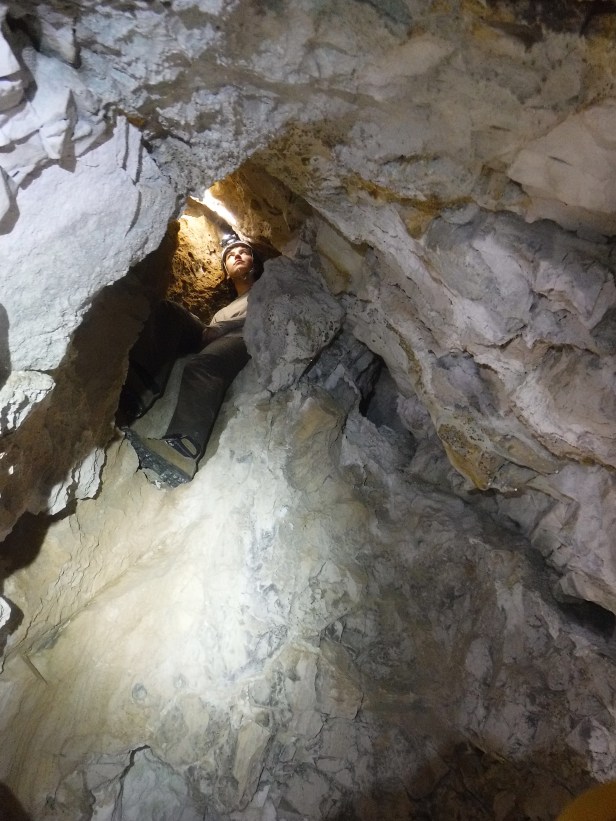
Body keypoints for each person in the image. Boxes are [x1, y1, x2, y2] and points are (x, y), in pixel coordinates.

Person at [122, 236, 263, 486]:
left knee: (202, 364)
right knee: (169, 311)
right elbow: (210, 329)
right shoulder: (224, 308)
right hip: (214, 331)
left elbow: (265, 313)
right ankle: (136, 393)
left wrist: (221, 329)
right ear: (226, 271)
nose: (237, 256)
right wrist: (214, 329)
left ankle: (184, 447)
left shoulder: (268, 287)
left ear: (255, 262)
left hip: (245, 334)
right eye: (231, 256)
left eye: (244, 252)